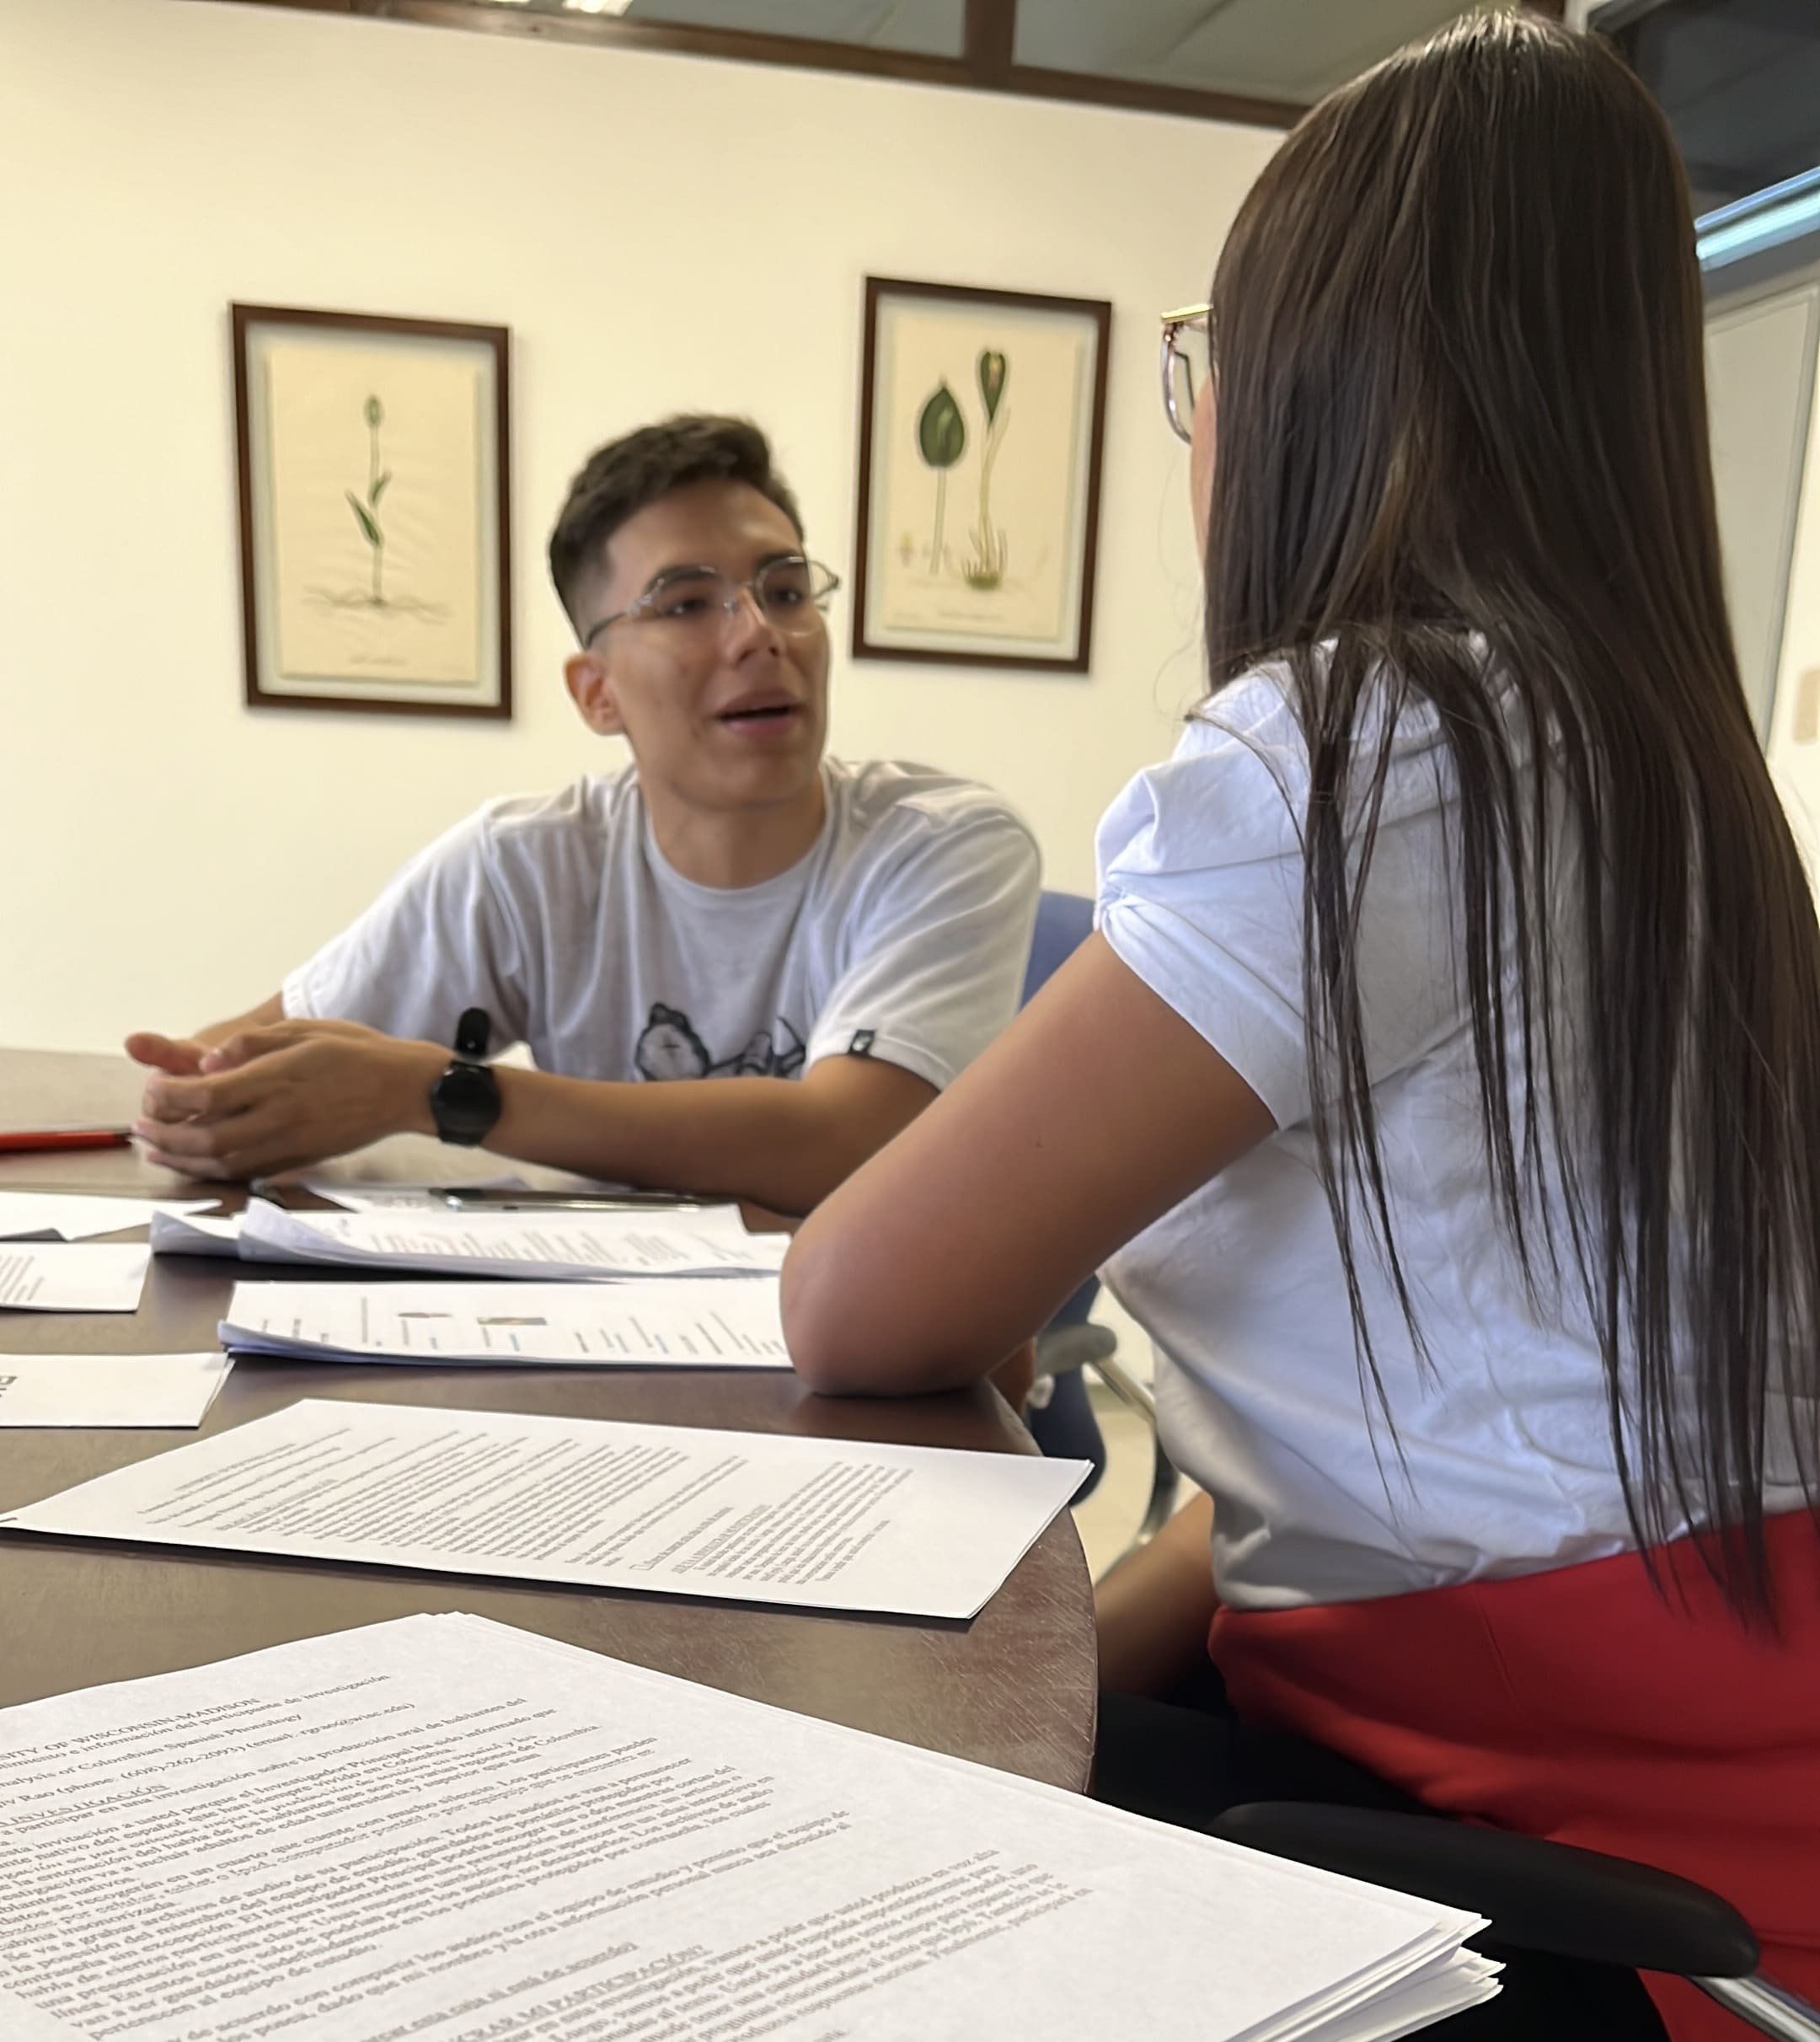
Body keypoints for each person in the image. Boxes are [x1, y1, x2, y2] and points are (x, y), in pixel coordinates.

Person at [779, 17, 1820, 2040]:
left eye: (1203, 357)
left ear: (1301, 387)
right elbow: (1367, 1487)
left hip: (1609, 1898)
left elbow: (851, 1302)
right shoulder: (1656, 778)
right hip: (1698, 1825)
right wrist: (1033, 1666)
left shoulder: (1362, 753)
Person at [127, 416, 1040, 1218]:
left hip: (860, 1340)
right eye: (688, 603)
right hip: (606, 1327)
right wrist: (213, 1107)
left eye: (787, 590)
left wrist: (444, 1095)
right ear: (597, 692)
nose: (760, 633)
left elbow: (851, 1140)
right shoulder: (527, 863)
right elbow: (226, 1066)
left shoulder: (946, 846)